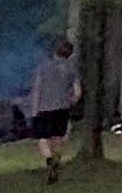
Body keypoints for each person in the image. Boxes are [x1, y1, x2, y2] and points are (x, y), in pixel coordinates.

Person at [26, 34, 82, 184]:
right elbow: (77, 93)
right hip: (62, 109)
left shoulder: (43, 68)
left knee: (42, 138)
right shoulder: (71, 70)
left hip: (44, 109)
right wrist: (70, 102)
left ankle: (49, 159)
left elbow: (37, 89)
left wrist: (34, 109)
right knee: (58, 138)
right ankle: (56, 162)